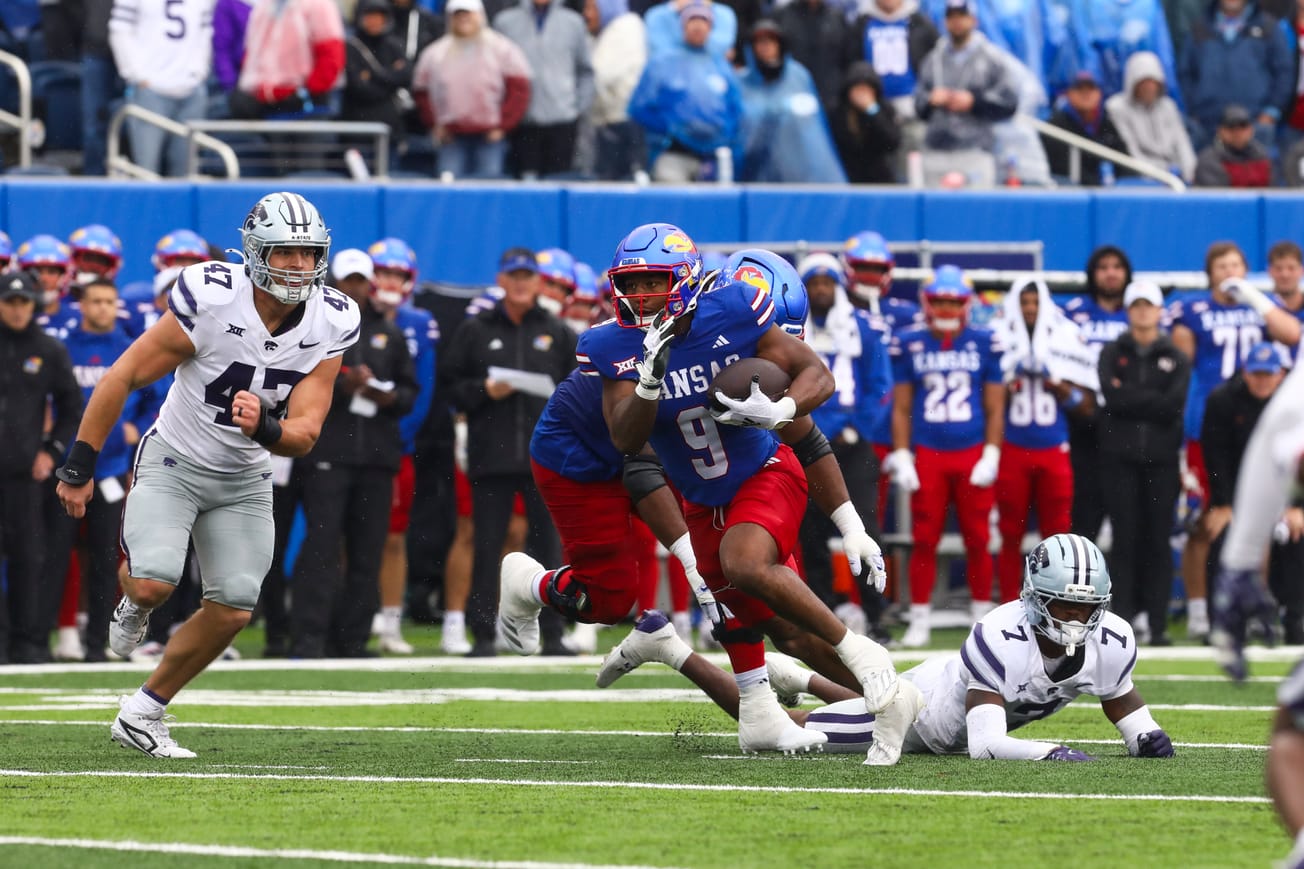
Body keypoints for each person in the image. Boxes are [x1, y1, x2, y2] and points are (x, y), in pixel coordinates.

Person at [566, 222, 921, 764]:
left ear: (685, 280)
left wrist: (784, 415)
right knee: (760, 625)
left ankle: (866, 655)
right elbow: (626, 440)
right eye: (631, 284)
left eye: (653, 282)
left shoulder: (731, 317)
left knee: (745, 564)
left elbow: (815, 390)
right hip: (700, 498)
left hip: (764, 476)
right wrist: (648, 381)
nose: (640, 296)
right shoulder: (610, 344)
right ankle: (823, 709)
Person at [54, 192, 360, 757]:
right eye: (285, 252)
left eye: (308, 253)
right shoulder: (214, 297)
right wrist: (80, 463)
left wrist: (266, 429)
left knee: (235, 605)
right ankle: (135, 605)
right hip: (175, 457)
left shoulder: (332, 318)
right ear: (255, 252)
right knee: (153, 582)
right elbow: (122, 377)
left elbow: (307, 432)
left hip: (245, 476)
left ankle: (144, 711)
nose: (298, 265)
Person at [804, 533, 1176, 763]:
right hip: (923, 715)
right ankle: (757, 695)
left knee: (866, 697)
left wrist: (1143, 734)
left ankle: (800, 678)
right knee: (803, 732)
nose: (1078, 619)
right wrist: (1047, 752)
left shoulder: (1112, 638)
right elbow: (986, 745)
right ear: (1036, 598)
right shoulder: (1000, 635)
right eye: (1066, 606)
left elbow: (1119, 697)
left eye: (1088, 608)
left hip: (953, 710)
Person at [439, 247, 577, 657]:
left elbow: (579, 390)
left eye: (527, 276)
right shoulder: (476, 329)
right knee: (487, 545)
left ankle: (553, 633)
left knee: (548, 547)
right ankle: (483, 634)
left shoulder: (557, 330)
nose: (520, 283)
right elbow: (449, 387)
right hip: (491, 458)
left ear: (538, 282)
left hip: (543, 459)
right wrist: (485, 390)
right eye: (513, 275)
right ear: (501, 280)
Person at [289, 247, 417, 659]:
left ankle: (352, 639)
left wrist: (387, 395)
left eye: (362, 281)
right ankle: (309, 638)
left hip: (377, 457)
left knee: (367, 550)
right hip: (328, 453)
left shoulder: (389, 332)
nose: (356, 289)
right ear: (334, 282)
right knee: (321, 547)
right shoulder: (313, 326)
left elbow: (410, 392)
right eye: (349, 281)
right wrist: (341, 387)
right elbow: (293, 381)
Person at [1170, 242, 1300, 642]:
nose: (1228, 272)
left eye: (1235, 265)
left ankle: (1250, 609)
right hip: (1204, 422)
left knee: (1255, 521)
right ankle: (1197, 613)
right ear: (1209, 272)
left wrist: (1252, 297)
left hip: (1255, 424)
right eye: (1221, 265)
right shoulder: (1192, 309)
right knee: (1202, 521)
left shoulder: (1259, 306)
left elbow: (1292, 333)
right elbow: (1179, 366)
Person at [885, 265, 1006, 647]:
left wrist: (991, 452)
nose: (947, 307)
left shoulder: (985, 341)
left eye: (954, 301)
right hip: (930, 453)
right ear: (927, 301)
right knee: (924, 538)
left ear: (966, 303)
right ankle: (919, 616)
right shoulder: (910, 342)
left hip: (971, 450)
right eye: (940, 300)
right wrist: (903, 453)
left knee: (978, 537)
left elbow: (995, 406)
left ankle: (982, 616)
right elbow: (901, 405)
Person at [796, 251, 892, 639]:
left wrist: (859, 426)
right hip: (804, 440)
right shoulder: (790, 328)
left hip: (851, 445)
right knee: (811, 533)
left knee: (865, 526)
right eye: (813, 283)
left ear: (839, 286)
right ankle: (824, 616)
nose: (820, 290)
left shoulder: (862, 328)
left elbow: (881, 385)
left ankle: (876, 612)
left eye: (827, 282)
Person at [992, 279, 1098, 603]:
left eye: (1035, 303)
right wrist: (1008, 382)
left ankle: (1056, 600)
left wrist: (1059, 386)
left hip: (1054, 446)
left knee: (1057, 534)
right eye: (1024, 302)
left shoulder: (1066, 336)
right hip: (1013, 446)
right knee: (1010, 532)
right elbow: (987, 401)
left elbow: (1088, 405)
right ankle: (1010, 602)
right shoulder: (999, 334)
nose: (1029, 309)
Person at [1097, 280, 1188, 646]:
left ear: (1159, 310)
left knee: (1157, 541)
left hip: (1162, 463)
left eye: (1148, 305)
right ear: (1128, 309)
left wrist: (1130, 397)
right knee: (1125, 540)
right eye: (1136, 305)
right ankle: (1123, 623)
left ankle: (1158, 623)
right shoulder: (1111, 351)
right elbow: (1111, 398)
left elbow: (1173, 405)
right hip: (1120, 462)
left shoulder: (1176, 356)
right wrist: (1149, 399)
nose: (1142, 311)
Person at [0, 271, 82, 664]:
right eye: (9, 302)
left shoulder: (47, 349)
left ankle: (29, 642)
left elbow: (71, 406)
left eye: (23, 302)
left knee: (29, 557)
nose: (17, 310)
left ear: (32, 304)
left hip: (24, 476)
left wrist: (51, 451)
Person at [366, 238, 439, 654]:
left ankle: (391, 620)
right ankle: (352, 611)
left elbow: (422, 392)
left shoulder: (419, 322)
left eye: (398, 274)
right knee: (347, 535)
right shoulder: (351, 317)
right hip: (350, 442)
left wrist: (397, 433)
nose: (390, 281)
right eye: (384, 272)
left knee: (393, 536)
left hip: (396, 443)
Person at [411, 0, 532, 180]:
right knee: (449, 193)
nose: (463, 19)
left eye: (468, 14)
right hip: (451, 137)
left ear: (480, 15)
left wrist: (503, 125)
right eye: (458, 15)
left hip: (489, 137)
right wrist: (435, 125)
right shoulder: (435, 53)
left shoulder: (502, 48)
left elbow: (519, 90)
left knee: (488, 193)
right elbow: (421, 92)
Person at [627, 1, 744, 183]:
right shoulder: (662, 63)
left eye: (703, 21)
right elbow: (638, 108)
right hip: (671, 153)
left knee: (711, 208)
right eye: (692, 20)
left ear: (710, 27)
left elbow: (735, 110)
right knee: (675, 207)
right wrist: (670, 129)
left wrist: (723, 137)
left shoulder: (720, 66)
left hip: (712, 157)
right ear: (683, 25)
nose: (698, 26)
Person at [1063, 244, 1131, 539]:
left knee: (1128, 519)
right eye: (1103, 267)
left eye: (1117, 267)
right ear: (1092, 274)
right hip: (1085, 420)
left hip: (1128, 419)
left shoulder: (1138, 312)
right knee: (1084, 516)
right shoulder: (1073, 314)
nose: (1111, 273)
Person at [913, 0, 1019, 187]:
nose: (957, 22)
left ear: (973, 20)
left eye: (962, 16)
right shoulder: (933, 59)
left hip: (975, 149)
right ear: (945, 22)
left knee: (976, 212)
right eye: (951, 17)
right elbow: (918, 105)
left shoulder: (991, 57)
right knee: (935, 212)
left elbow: (1010, 102)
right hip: (937, 149)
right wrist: (931, 100)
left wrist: (974, 102)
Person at [108, 0, 215, 176]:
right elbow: (119, 28)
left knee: (185, 173)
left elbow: (205, 31)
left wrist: (199, 72)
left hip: (190, 89)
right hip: (151, 89)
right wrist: (136, 75)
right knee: (146, 171)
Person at [736, 18, 847, 183]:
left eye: (771, 41)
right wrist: (776, 111)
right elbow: (743, 128)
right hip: (756, 171)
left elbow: (816, 130)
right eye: (760, 41)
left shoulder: (799, 76)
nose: (766, 46)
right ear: (751, 48)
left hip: (798, 168)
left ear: (780, 45)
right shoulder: (741, 82)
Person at [492, 0, 594, 178]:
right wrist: (505, 112)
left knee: (559, 180)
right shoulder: (505, 22)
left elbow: (585, 71)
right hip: (522, 122)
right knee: (524, 186)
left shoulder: (573, 22)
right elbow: (495, 72)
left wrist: (577, 108)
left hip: (562, 121)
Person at [1180, 0, 1291, 150]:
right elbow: (1185, 72)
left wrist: (1270, 113)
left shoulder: (1268, 27)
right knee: (1211, 172)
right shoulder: (1200, 28)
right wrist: (1195, 112)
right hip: (1209, 127)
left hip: (1255, 126)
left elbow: (1284, 71)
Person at [229, 0, 346, 119]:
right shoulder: (265, 7)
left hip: (306, 109)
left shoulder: (317, 4)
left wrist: (305, 92)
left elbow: (331, 56)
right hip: (268, 107)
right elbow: (252, 55)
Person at [1104, 51, 1196, 181]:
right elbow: (1129, 150)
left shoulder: (1168, 107)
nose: (1149, 87)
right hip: (1140, 178)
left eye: (1153, 82)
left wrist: (1190, 174)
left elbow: (1182, 144)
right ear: (1133, 82)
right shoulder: (1117, 107)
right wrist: (1158, 175)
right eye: (1144, 82)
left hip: (1175, 175)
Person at [1040, 70, 1129, 185]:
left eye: (1091, 89)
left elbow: (1124, 161)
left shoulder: (1106, 122)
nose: (1086, 94)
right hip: (1069, 194)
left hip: (1102, 191)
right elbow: (1063, 169)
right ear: (1069, 94)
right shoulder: (1056, 125)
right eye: (1079, 89)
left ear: (1099, 93)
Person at [341, 0, 413, 139]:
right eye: (370, 16)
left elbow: (406, 76)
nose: (375, 21)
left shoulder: (394, 45)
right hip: (358, 129)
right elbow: (359, 88)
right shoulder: (351, 47)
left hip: (390, 128)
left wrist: (373, 75)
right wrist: (391, 79)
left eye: (379, 16)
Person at [829, 62, 901, 185]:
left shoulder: (884, 109)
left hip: (880, 180)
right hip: (847, 178)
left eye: (866, 89)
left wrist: (872, 110)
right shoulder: (837, 112)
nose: (862, 94)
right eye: (858, 89)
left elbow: (892, 141)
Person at [1194, 104, 1275, 187]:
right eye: (1231, 127)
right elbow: (1217, 197)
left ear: (1251, 130)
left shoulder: (1262, 156)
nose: (1237, 133)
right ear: (1220, 131)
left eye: (1242, 126)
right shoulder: (1209, 160)